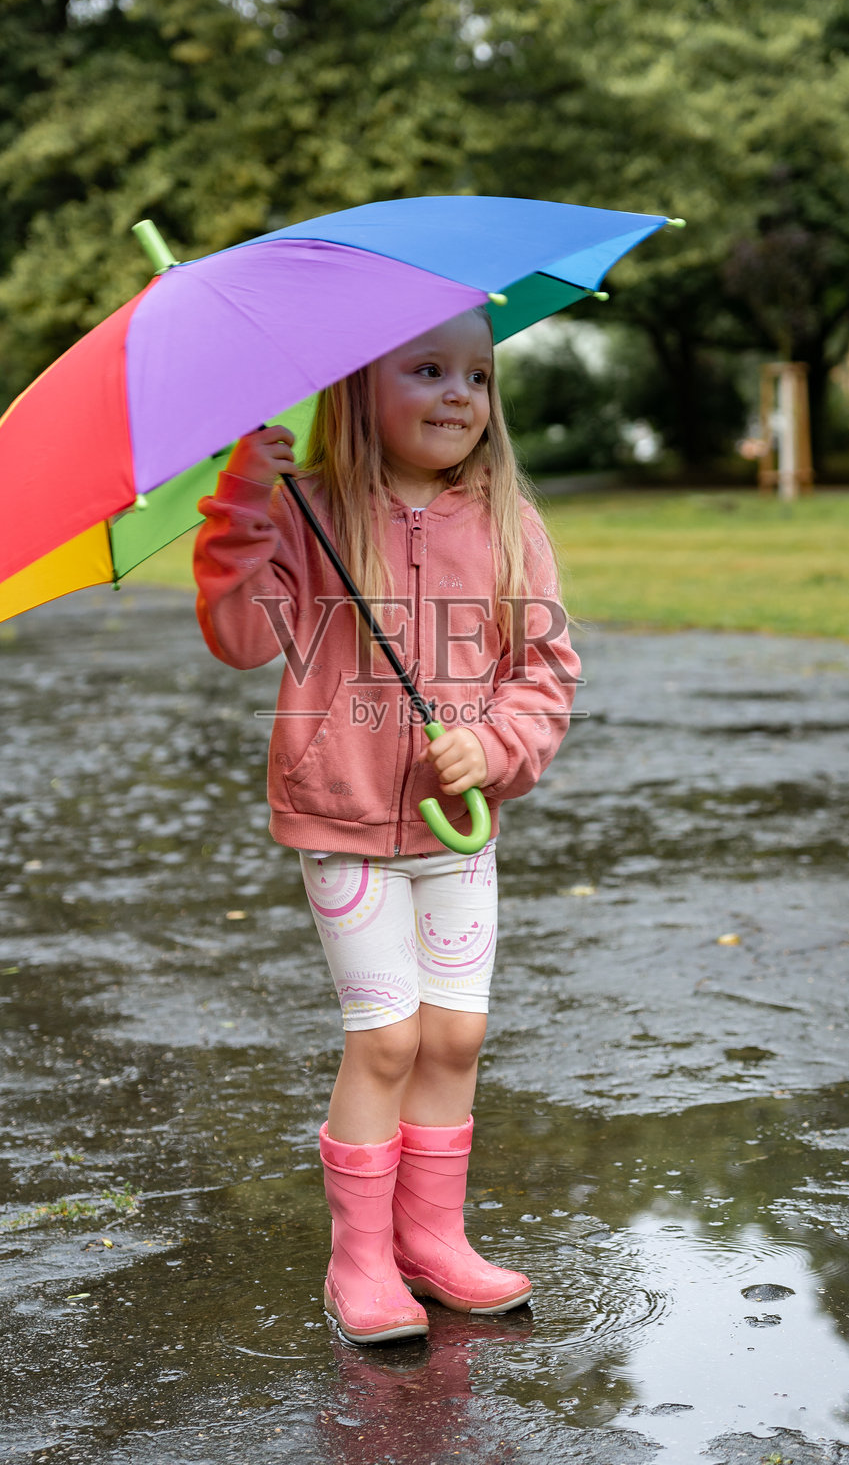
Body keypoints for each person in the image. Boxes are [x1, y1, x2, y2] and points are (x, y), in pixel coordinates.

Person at [193, 306, 580, 1344]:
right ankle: (357, 1259)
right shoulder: (304, 510)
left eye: (477, 377)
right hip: (347, 822)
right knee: (387, 1038)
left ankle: (431, 1239)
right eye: (427, 369)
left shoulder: (506, 523)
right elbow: (237, 636)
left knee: (454, 1035)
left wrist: (494, 748)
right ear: (355, 388)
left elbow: (541, 672)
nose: (460, 394)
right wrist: (241, 506)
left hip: (457, 827)